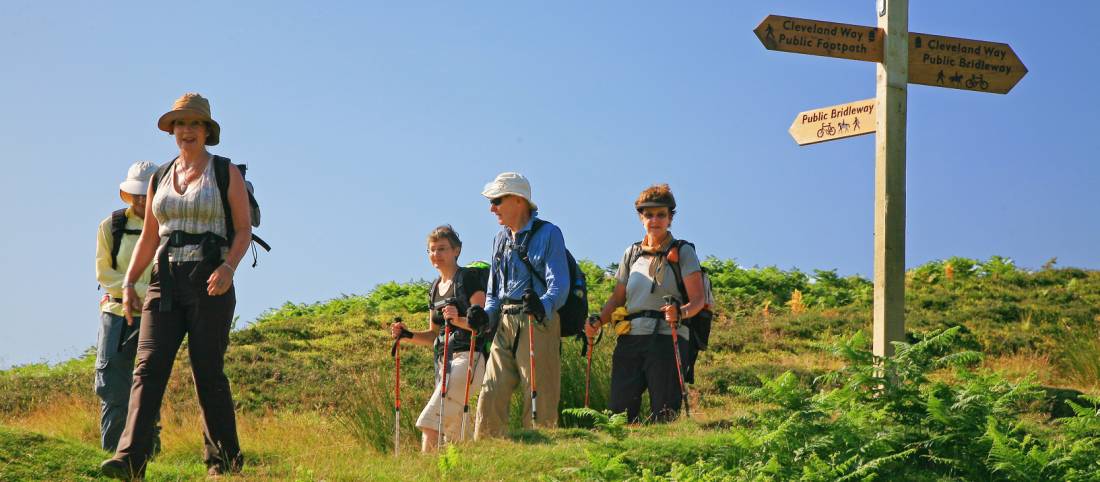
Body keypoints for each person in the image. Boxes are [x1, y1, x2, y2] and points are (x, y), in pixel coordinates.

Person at [101, 93, 250, 480]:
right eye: (180, 125)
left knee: (207, 371)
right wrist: (131, 281)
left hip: (210, 278)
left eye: (194, 124)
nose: (186, 131)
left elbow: (244, 229)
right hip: (163, 280)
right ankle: (130, 459)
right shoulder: (160, 177)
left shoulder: (224, 172)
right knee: (147, 369)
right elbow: (150, 236)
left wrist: (229, 268)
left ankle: (223, 463)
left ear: (206, 131)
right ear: (172, 131)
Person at [585, 184, 705, 423]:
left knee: (664, 409)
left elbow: (698, 299)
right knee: (619, 409)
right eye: (648, 214)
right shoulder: (631, 254)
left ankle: (665, 456)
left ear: (670, 218)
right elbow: (618, 299)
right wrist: (598, 320)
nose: (655, 220)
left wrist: (679, 313)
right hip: (631, 337)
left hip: (668, 335)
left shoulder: (683, 251)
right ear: (641, 218)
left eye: (661, 214)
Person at [474, 172, 569, 439]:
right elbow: (494, 292)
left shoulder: (550, 233)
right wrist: (486, 316)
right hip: (505, 322)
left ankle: (541, 456)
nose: (492, 208)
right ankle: (487, 456)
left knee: (538, 394)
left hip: (538, 321)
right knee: (490, 393)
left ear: (518, 200)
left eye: (497, 200)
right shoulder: (499, 239)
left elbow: (560, 284)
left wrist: (542, 306)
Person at [390, 225, 490, 451]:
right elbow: (434, 334)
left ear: (457, 250)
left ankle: (427, 473)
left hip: (468, 358)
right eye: (432, 250)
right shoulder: (434, 287)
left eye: (442, 249)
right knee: (452, 437)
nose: (436, 255)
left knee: (430, 423)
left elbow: (482, 323)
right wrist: (407, 335)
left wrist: (457, 320)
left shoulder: (468, 279)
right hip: (443, 362)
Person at [94, 161, 161, 454]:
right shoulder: (112, 226)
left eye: (146, 193)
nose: (141, 199)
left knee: (149, 385)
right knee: (112, 387)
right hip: (116, 313)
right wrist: (130, 289)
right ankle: (111, 452)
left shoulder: (166, 228)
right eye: (137, 193)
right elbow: (104, 273)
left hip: (155, 314)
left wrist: (140, 291)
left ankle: (149, 454)